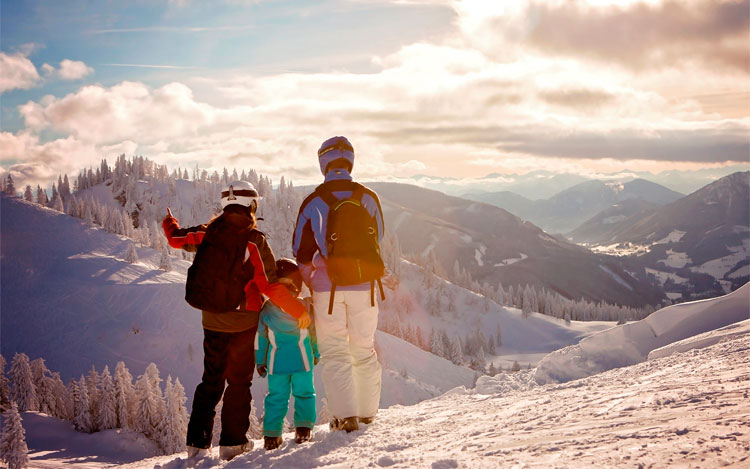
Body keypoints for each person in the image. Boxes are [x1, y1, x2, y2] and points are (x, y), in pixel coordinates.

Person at [162, 181, 310, 462]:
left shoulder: (207, 234)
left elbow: (176, 239)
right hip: (243, 322)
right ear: (251, 206)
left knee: (211, 380)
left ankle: (197, 444)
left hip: (212, 320)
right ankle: (232, 444)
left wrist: (170, 222)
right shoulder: (253, 240)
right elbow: (269, 285)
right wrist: (297, 310)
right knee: (239, 382)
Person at [292, 136, 384, 433]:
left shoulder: (313, 201)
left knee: (334, 352)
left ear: (323, 163)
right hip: (366, 288)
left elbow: (300, 251)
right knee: (364, 349)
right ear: (350, 161)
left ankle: (346, 417)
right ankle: (368, 413)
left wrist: (315, 278)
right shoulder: (368, 197)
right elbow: (378, 238)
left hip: (328, 291)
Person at [255, 258, 319, 450]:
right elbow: (314, 332)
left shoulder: (266, 309)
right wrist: (316, 352)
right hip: (303, 361)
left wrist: (260, 361)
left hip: (277, 364)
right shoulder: (305, 307)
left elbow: (261, 338)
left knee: (276, 397)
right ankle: (303, 429)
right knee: (305, 394)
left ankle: (272, 436)